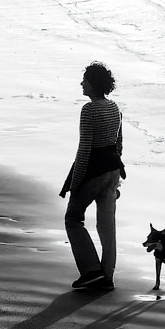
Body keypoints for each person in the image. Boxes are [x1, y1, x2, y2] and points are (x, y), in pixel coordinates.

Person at [60, 61, 126, 291]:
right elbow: (118, 144)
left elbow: (84, 150)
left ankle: (91, 271)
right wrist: (117, 178)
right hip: (112, 171)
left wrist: (74, 184)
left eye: (85, 80)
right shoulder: (115, 107)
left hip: (94, 172)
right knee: (107, 228)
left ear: (93, 84)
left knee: (73, 218)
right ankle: (107, 278)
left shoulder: (89, 110)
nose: (81, 83)